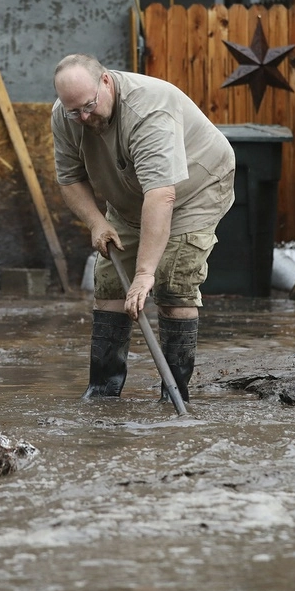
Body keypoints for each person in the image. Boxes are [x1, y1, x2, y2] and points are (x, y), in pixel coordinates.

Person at [51, 54, 235, 401]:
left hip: (192, 191)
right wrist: (96, 222)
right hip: (130, 194)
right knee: (109, 284)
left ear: (106, 81)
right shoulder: (66, 114)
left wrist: (146, 272)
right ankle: (102, 391)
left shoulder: (149, 109)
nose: (83, 117)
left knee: (173, 283)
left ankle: (174, 393)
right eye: (74, 111)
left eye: (88, 106)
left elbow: (163, 195)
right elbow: (70, 178)